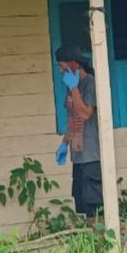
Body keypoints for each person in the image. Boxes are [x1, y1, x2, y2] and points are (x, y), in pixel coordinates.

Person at [53, 44, 103, 221]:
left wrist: (74, 89)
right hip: (79, 154)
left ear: (73, 64)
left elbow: (85, 113)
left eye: (62, 65)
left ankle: (105, 242)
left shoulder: (90, 83)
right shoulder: (71, 86)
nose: (60, 70)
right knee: (83, 205)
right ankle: (93, 242)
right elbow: (75, 119)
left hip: (92, 154)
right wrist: (65, 143)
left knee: (96, 206)